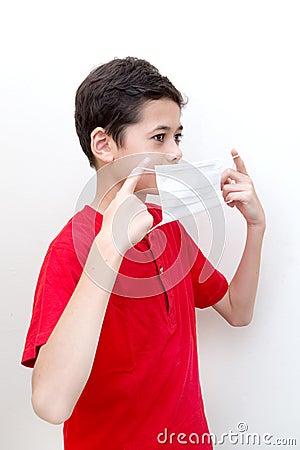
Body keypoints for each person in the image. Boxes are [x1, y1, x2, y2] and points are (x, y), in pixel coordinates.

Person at [21, 57, 266, 449]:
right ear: (104, 145)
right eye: (160, 136)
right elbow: (51, 404)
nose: (175, 153)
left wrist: (256, 227)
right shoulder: (68, 251)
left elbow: (238, 310)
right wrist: (110, 248)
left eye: (177, 136)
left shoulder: (169, 232)